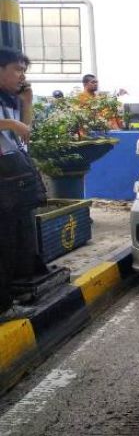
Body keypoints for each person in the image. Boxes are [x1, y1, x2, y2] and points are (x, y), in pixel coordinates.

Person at [0, 48, 47, 315]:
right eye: (17, 69)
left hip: (12, 177)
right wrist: (10, 124)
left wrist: (26, 103)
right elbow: (15, 129)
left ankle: (11, 297)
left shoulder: (10, 98)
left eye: (23, 71)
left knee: (15, 241)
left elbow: (24, 135)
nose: (21, 76)